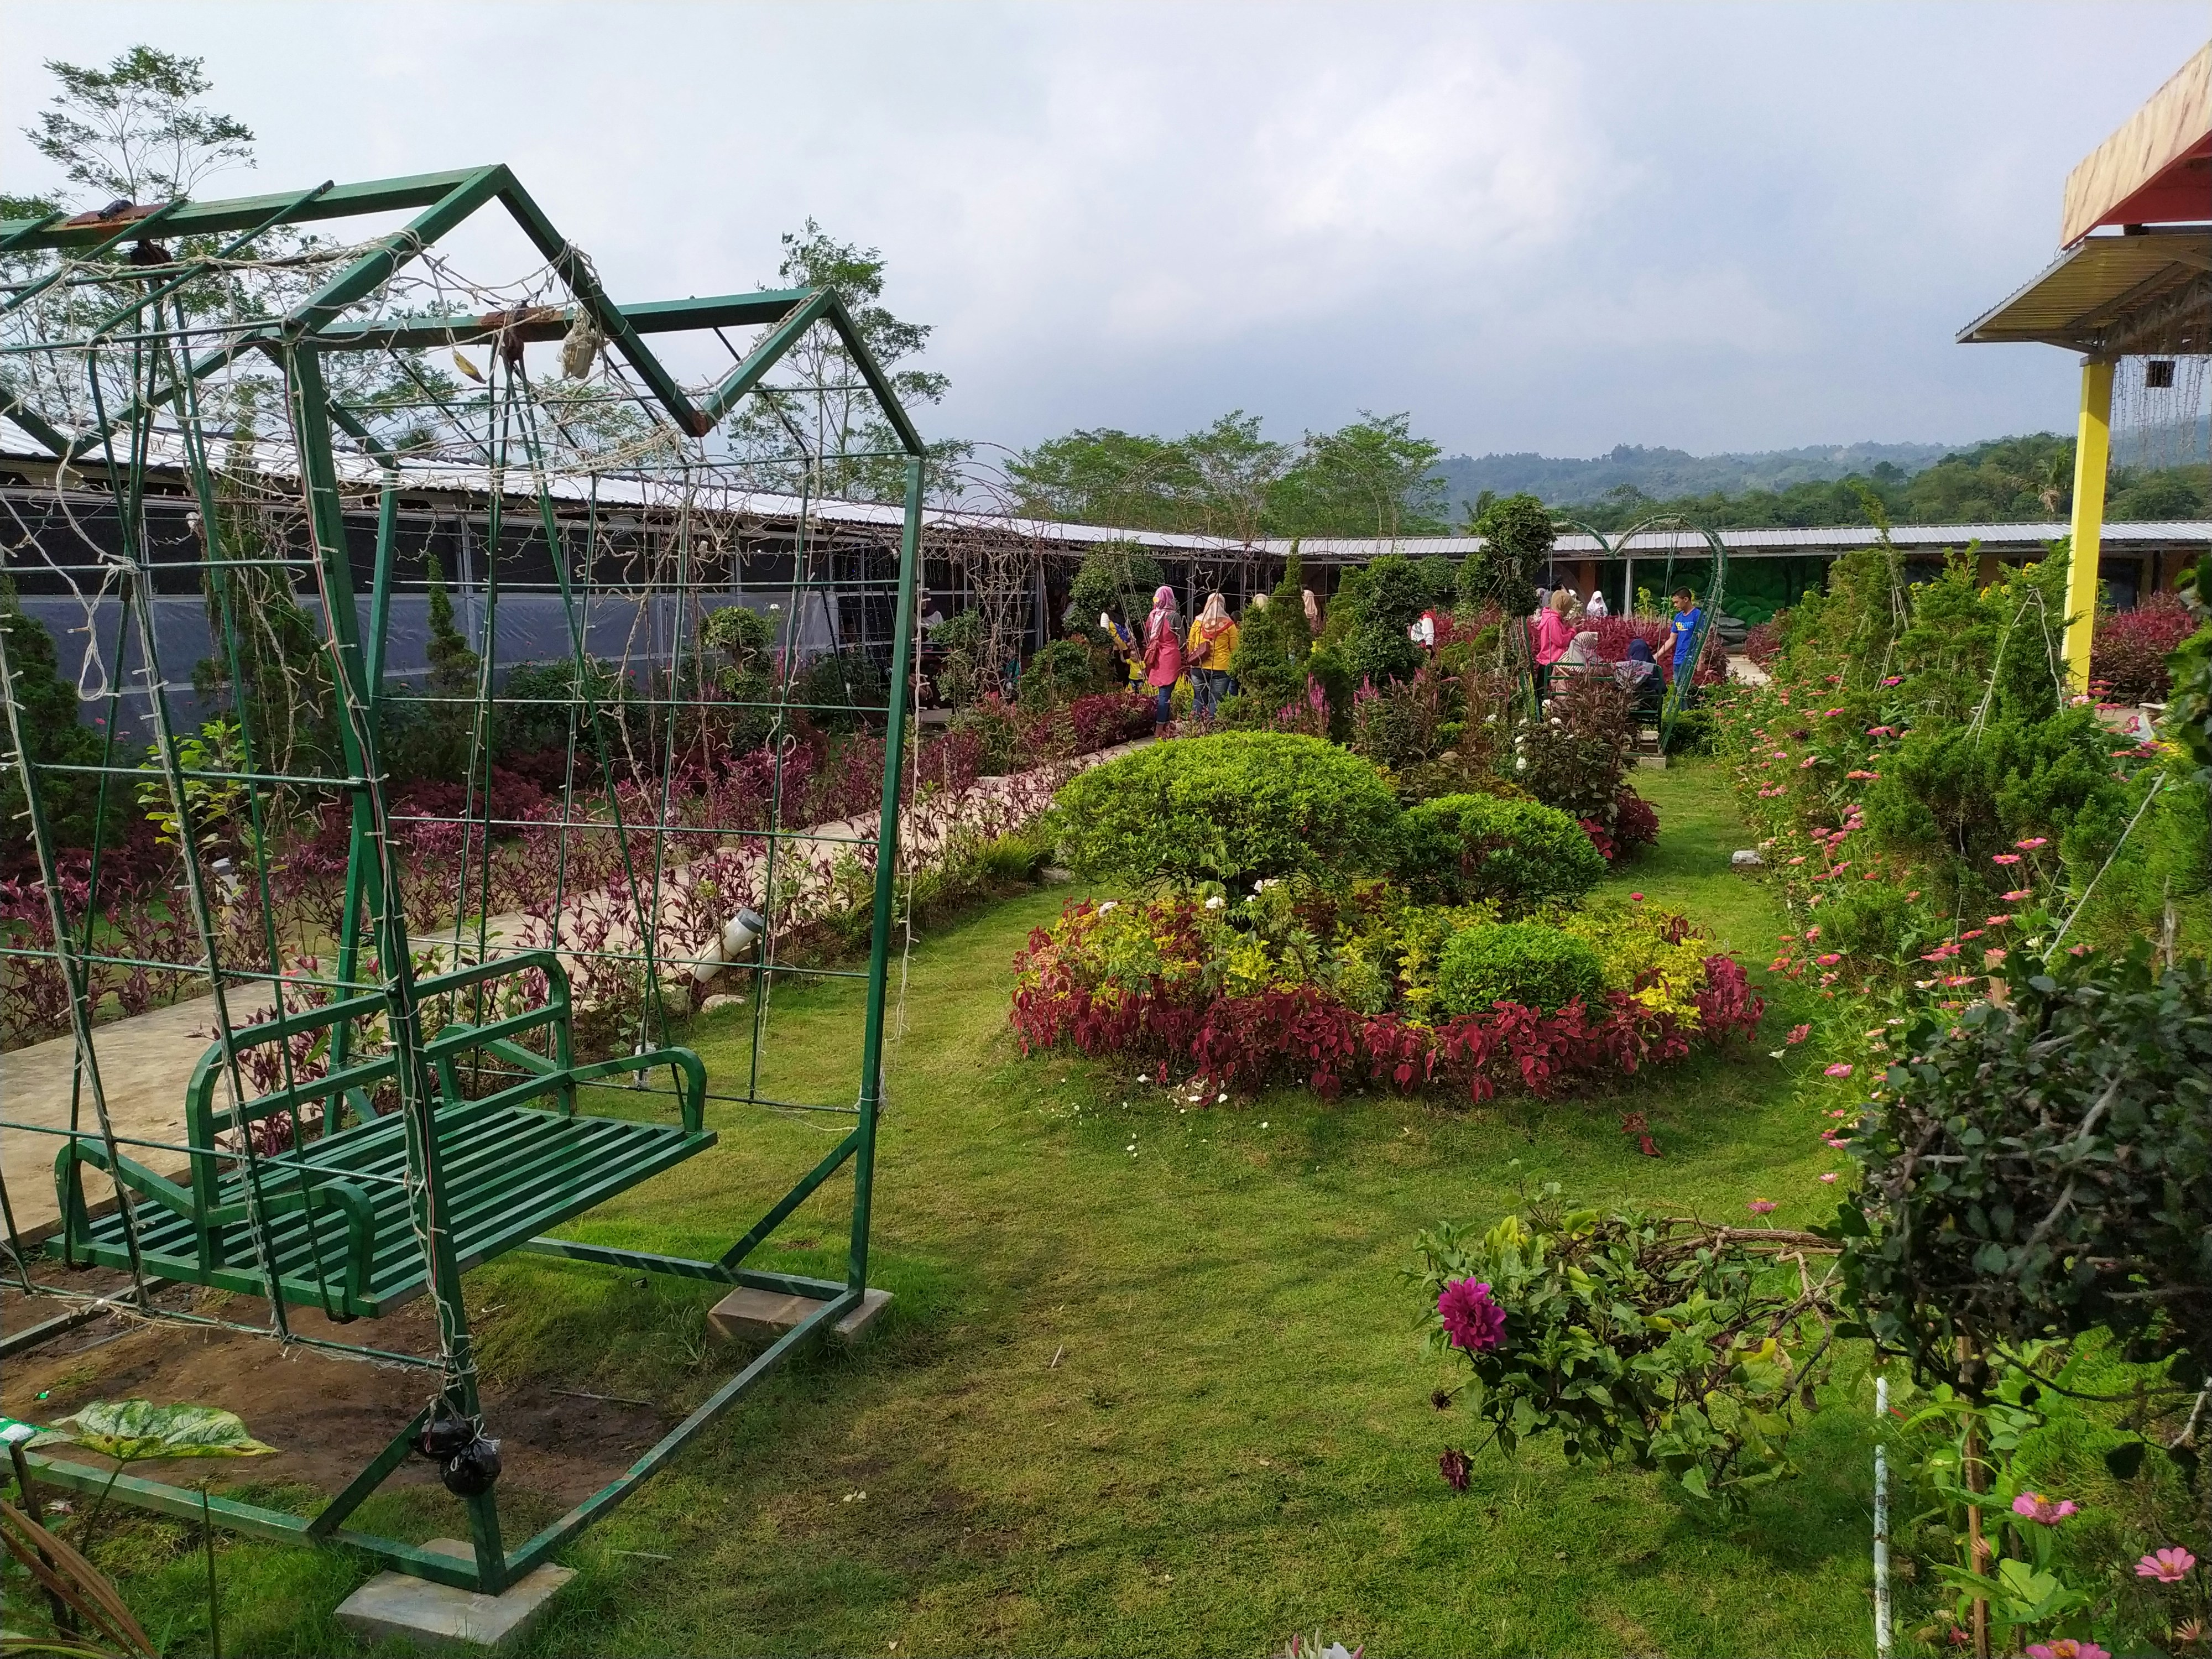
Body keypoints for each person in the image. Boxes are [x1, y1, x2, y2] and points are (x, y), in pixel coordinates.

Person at [1186, 591, 1239, 718]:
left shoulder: (1198, 622)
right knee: (1216, 700)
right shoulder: (1229, 625)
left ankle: (1194, 729)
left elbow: (1191, 644)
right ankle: (1211, 729)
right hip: (1221, 668)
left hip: (1199, 666)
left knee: (1199, 698)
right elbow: (1235, 649)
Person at [1143, 584, 1183, 731]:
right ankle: (1160, 728)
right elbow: (1182, 641)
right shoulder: (1174, 616)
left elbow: (1147, 637)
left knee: (1162, 692)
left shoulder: (1152, 616)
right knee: (1165, 694)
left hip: (1156, 657)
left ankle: (1165, 725)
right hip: (1170, 657)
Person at [1531, 588, 1575, 693]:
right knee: (1546, 694)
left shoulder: (1552, 618)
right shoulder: (1553, 621)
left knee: (1544, 693)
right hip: (1551, 662)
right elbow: (1560, 641)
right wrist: (1573, 631)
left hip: (1548, 660)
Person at [1668, 587, 1703, 695]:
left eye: (1676, 602)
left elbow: (1702, 639)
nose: (1675, 606)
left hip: (1689, 659)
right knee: (1678, 690)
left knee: (1683, 691)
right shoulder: (1678, 617)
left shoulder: (1698, 615)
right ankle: (1684, 712)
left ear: (1686, 600)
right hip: (1677, 659)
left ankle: (1685, 711)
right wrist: (1656, 656)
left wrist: (1701, 661)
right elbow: (1672, 639)